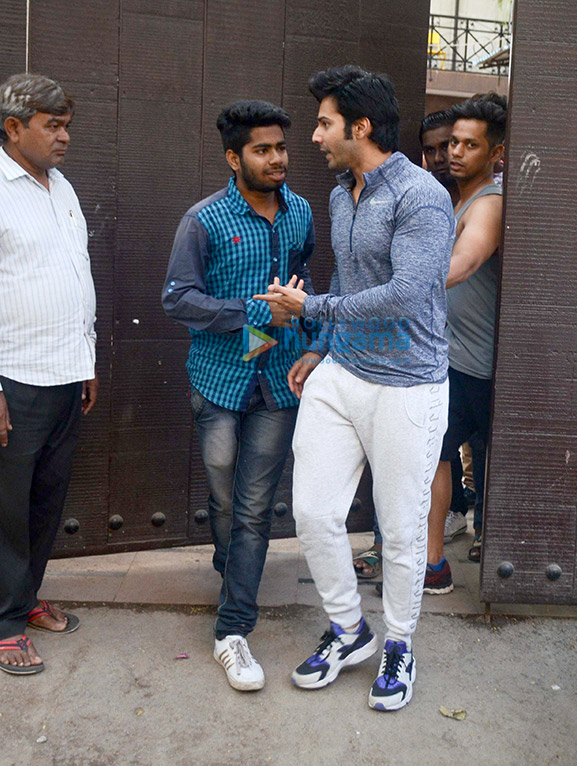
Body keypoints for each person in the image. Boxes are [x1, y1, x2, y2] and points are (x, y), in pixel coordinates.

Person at [255, 66, 454, 711]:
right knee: (313, 512)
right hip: (341, 373)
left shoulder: (421, 197)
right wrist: (317, 347)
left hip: (408, 386)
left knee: (398, 531)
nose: (313, 136)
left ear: (360, 127)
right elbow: (344, 275)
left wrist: (310, 313)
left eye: (324, 123)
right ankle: (350, 629)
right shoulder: (343, 192)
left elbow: (406, 294)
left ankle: (399, 643)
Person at [161, 100, 316, 692]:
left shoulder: (300, 212)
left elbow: (306, 282)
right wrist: (255, 311)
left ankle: (232, 630)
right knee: (224, 496)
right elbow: (178, 300)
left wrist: (308, 335)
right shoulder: (203, 221)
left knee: (253, 507)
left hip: (279, 381)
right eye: (262, 149)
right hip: (221, 381)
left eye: (281, 147)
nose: (277, 159)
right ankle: (235, 571)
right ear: (234, 157)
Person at [0, 73, 98, 675]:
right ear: (13, 129)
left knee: (44, 500)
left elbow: (76, 274)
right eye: (51, 126)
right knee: (6, 508)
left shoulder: (61, 187)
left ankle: (24, 599)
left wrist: (85, 358)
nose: (63, 138)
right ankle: (5, 625)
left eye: (66, 126)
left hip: (65, 373)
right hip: (15, 377)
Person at [424, 94, 507, 593]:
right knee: (433, 456)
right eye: (453, 142)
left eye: (469, 144)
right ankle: (432, 562)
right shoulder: (456, 198)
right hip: (453, 359)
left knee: (437, 455)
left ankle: (435, 562)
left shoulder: (489, 203)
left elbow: (467, 262)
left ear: (495, 153)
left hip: (477, 367)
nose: (455, 152)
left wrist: (400, 288)